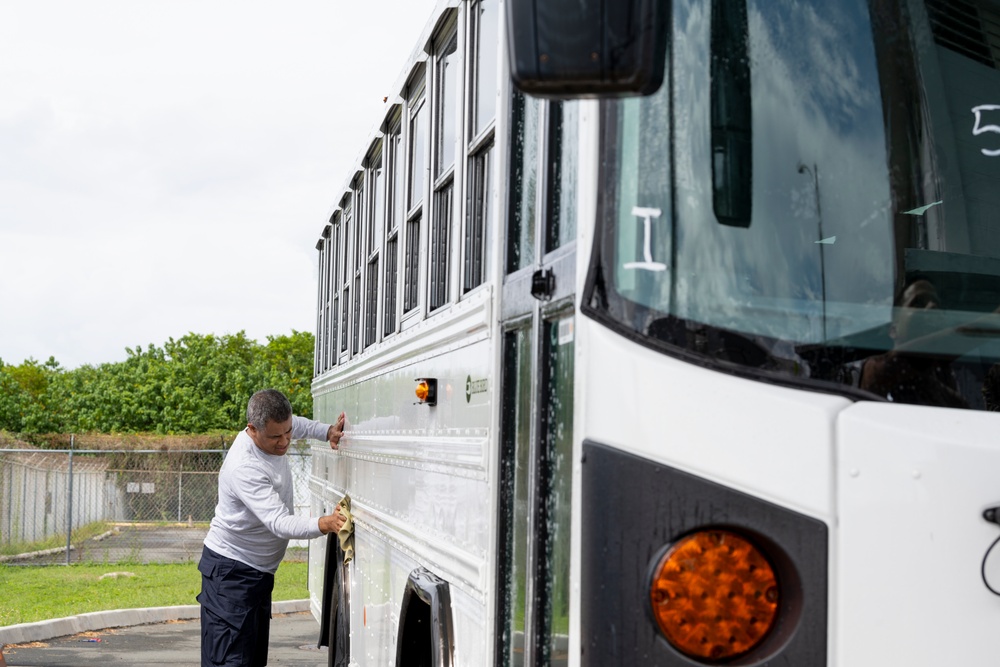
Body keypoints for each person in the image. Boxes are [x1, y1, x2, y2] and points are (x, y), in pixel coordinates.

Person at [198, 389, 347, 667]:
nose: (284, 442)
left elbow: (298, 425)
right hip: (232, 575)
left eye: (287, 432)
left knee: (252, 661)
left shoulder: (280, 428)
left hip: (256, 575)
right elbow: (279, 522)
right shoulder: (245, 466)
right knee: (231, 662)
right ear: (252, 429)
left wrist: (327, 431)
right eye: (275, 437)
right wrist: (324, 523)